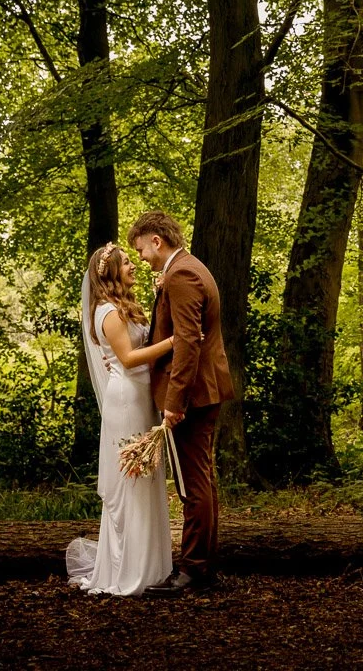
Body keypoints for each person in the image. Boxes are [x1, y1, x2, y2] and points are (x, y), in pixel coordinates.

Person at [127, 210, 235, 597]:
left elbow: (189, 342)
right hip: (204, 389)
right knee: (201, 479)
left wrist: (175, 402)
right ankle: (202, 566)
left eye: (140, 249)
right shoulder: (188, 268)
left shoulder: (182, 275)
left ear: (157, 240)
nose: (140, 258)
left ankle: (193, 571)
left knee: (194, 485)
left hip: (193, 393)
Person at [65, 242, 178, 596]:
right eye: (126, 262)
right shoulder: (106, 312)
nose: (133, 265)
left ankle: (150, 566)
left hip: (140, 397)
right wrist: (175, 341)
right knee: (132, 483)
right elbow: (129, 359)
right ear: (112, 272)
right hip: (126, 400)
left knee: (146, 481)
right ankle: (129, 571)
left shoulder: (123, 307)